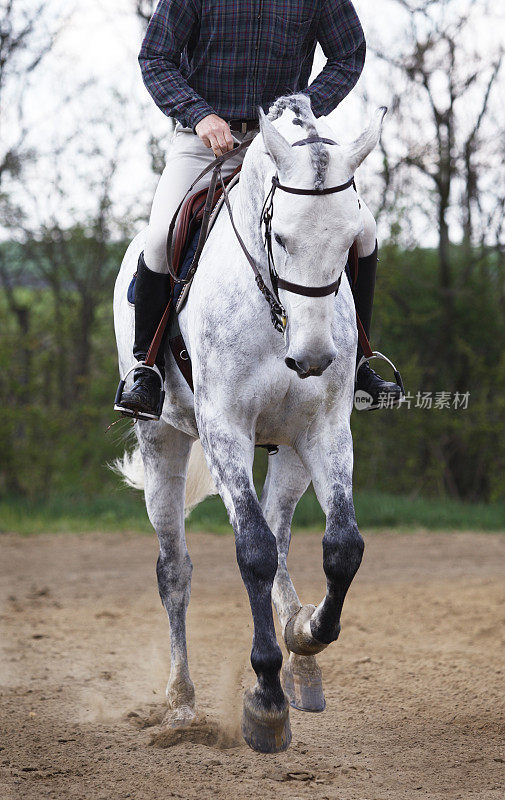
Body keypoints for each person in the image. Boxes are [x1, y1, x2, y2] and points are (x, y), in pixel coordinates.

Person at [116, 0, 403, 419]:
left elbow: (349, 53)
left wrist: (300, 107)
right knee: (160, 237)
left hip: (286, 144)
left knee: (364, 230)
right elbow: (155, 57)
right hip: (206, 140)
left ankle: (359, 361)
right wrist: (199, 115)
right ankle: (147, 369)